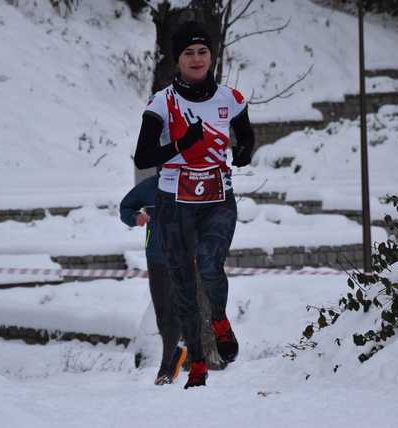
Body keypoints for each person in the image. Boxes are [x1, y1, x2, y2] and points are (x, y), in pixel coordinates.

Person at [133, 21, 255, 389]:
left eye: (203, 52)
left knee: (210, 261)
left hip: (217, 199)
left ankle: (218, 318)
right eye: (189, 53)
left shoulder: (230, 98)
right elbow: (144, 156)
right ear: (178, 60)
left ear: (211, 56)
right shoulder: (163, 102)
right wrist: (181, 145)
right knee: (183, 283)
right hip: (174, 202)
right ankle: (198, 363)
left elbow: (246, 135)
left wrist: (245, 151)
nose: (197, 58)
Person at [119, 174, 187, 385]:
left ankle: (165, 369)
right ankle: (175, 351)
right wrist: (135, 217)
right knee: (162, 313)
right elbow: (125, 208)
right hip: (156, 256)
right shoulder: (150, 187)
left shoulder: (191, 181)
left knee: (175, 310)